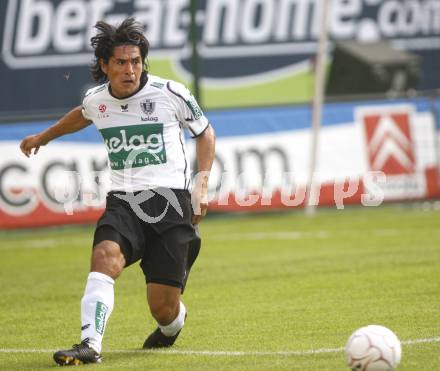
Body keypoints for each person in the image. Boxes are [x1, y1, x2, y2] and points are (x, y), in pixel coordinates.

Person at [20, 17, 215, 366]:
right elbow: (81, 115)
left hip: (171, 203)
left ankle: (172, 327)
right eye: (122, 62)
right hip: (124, 201)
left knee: (163, 308)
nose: (130, 69)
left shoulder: (171, 93)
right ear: (105, 65)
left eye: (136, 62)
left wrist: (201, 187)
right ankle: (89, 344)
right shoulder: (97, 100)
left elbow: (205, 133)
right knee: (105, 257)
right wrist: (41, 138)